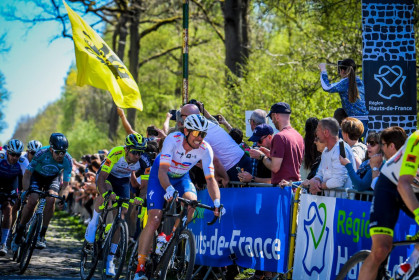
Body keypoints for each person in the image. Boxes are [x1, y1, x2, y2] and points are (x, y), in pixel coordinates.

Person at [133, 114, 223, 280]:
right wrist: (168, 188)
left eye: (203, 134)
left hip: (182, 177)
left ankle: (168, 238)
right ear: (186, 131)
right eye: (196, 133)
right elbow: (162, 171)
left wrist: (217, 202)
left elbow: (210, 179)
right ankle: (140, 267)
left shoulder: (205, 149)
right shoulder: (173, 140)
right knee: (154, 219)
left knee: (192, 204)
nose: (200, 138)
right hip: (161, 175)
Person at [84, 133, 147, 276]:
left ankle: (110, 260)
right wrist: (106, 193)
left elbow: (144, 186)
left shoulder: (142, 161)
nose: (137, 155)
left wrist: (140, 198)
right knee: (106, 195)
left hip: (123, 181)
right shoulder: (116, 152)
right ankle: (94, 223)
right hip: (107, 176)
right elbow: (102, 178)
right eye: (134, 152)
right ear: (126, 149)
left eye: (140, 152)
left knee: (122, 213)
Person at [358, 130, 419, 280]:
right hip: (391, 185)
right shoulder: (416, 140)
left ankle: (410, 264)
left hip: (414, 189)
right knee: (381, 249)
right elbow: (403, 184)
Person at [12, 133, 72, 251]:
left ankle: (42, 235)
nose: (61, 155)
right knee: (32, 200)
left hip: (53, 178)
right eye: (57, 152)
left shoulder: (68, 160)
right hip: (36, 176)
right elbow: (28, 174)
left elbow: (66, 185)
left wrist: (63, 198)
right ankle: (20, 230)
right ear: (50, 149)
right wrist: (25, 191)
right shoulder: (40, 153)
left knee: (52, 199)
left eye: (63, 152)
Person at [179, 103, 250, 184]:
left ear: (187, 116)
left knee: (241, 195)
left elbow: (215, 160)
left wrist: (225, 178)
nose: (181, 119)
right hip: (238, 160)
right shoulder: (207, 123)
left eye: (181, 115)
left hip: (235, 165)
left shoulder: (198, 132)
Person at [319, 59, 369, 136]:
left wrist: (323, 70)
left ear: (342, 71)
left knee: (334, 135)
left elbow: (326, 87)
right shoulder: (360, 81)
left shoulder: (345, 82)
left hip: (354, 125)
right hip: (367, 124)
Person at [307, 118, 355, 195]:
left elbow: (338, 181)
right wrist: (315, 180)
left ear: (326, 132)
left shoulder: (341, 149)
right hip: (329, 203)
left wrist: (319, 186)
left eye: (318, 130)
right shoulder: (325, 151)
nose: (316, 134)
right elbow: (320, 173)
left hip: (343, 204)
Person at [259, 102, 304, 184]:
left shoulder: (279, 137)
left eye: (271, 117)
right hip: (295, 187)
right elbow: (289, 159)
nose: (272, 121)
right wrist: (269, 154)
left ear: (276, 116)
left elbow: (275, 167)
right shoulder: (298, 136)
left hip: (282, 189)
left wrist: (262, 157)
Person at [0, 139, 28, 256]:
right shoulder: (1, 157)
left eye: (17, 155)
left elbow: (27, 178)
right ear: (7, 152)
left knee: (8, 210)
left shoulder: (23, 161)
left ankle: (3, 243)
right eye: (12, 154)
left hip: (12, 185)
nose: (14, 157)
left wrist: (25, 192)